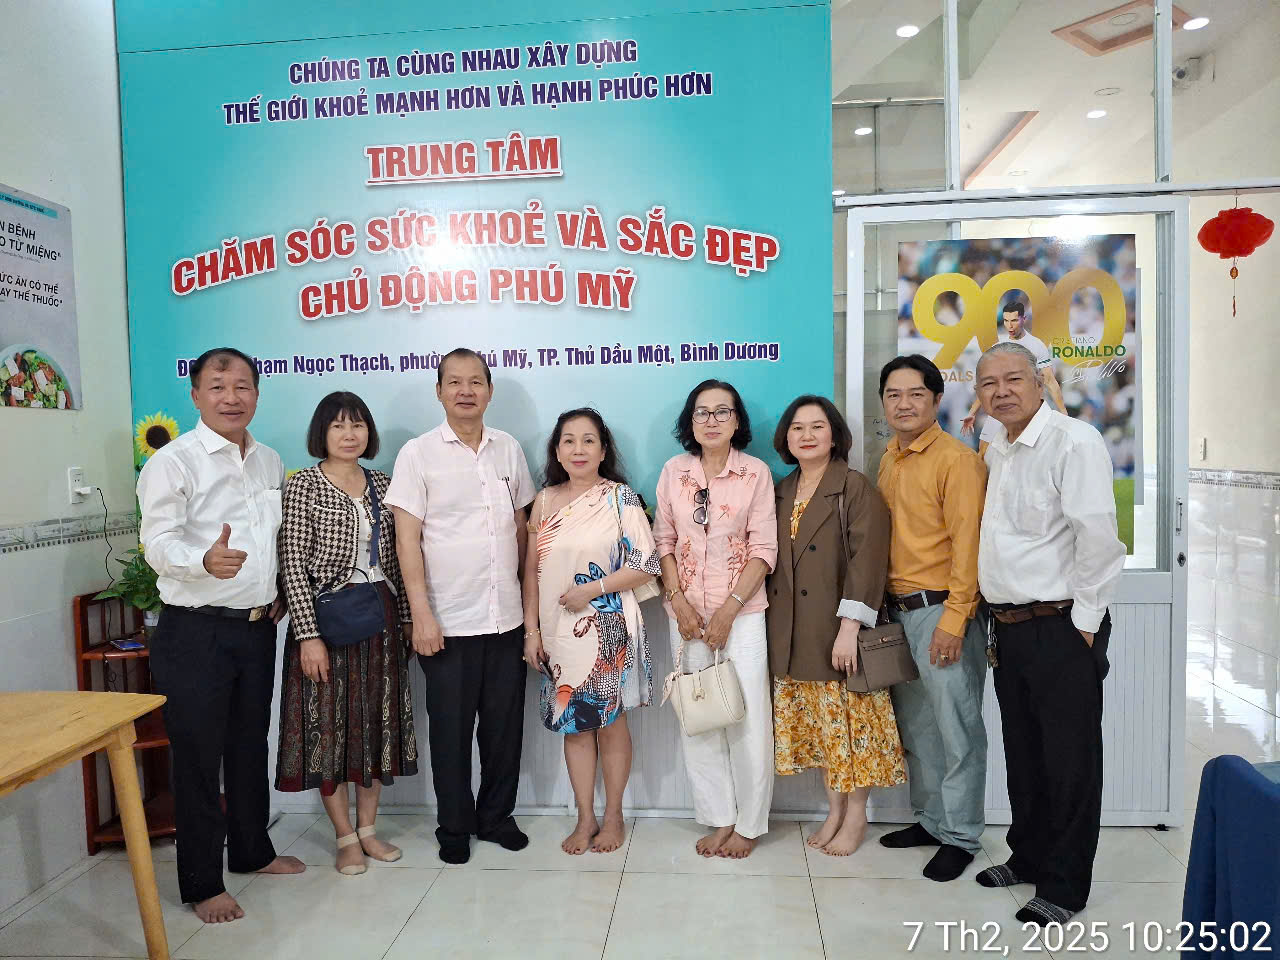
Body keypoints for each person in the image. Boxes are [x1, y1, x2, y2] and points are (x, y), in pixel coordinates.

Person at [137, 347, 304, 923]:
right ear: (195, 396)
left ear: (257, 393)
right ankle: (202, 882)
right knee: (198, 757)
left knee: (248, 744)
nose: (231, 398)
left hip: (256, 629)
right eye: (217, 386)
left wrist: (277, 587)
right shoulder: (173, 462)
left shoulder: (269, 460)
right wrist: (201, 560)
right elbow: (158, 542)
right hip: (195, 631)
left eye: (242, 386)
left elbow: (272, 537)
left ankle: (253, 851)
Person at [972, 341, 1125, 926]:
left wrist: (1083, 625)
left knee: (1069, 759)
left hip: (1062, 626)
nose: (1001, 391)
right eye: (989, 383)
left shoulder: (1073, 441)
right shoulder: (998, 446)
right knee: (1025, 751)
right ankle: (1029, 855)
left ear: (1040, 382)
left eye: (1014, 379)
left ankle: (1064, 885)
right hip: (1009, 628)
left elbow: (1099, 540)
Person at [385, 348, 535, 865]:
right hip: (446, 623)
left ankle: (496, 818)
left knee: (503, 733)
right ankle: (453, 826)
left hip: (506, 619)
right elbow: (407, 541)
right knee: (450, 734)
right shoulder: (418, 454)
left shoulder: (508, 448)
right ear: (439, 391)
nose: (465, 391)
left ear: (489, 391)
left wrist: (528, 614)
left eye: (475, 381)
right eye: (454, 382)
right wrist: (420, 615)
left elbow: (521, 529)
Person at [275, 391, 418, 875]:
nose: (349, 434)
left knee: (375, 723)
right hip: (328, 622)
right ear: (323, 433)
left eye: (357, 424)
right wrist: (307, 636)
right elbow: (292, 565)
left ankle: (369, 831)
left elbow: (399, 561)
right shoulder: (304, 486)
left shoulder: (383, 483)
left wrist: (406, 620)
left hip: (381, 617)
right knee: (329, 727)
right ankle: (344, 837)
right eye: (338, 426)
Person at [767, 395, 906, 857]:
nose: (807, 435)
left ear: (834, 436)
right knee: (826, 735)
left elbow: (868, 562)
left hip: (838, 633)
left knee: (852, 731)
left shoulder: (853, 487)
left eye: (817, 426)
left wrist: (849, 629)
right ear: (786, 438)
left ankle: (856, 815)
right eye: (797, 427)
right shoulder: (781, 491)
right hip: (793, 636)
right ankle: (833, 812)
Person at [521, 408, 661, 855]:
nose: (578, 449)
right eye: (569, 440)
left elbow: (646, 564)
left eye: (588, 440)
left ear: (603, 451)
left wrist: (592, 590)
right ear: (557, 451)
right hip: (556, 634)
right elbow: (530, 573)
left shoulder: (621, 498)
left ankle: (614, 816)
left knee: (611, 724)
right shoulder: (544, 501)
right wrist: (531, 632)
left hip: (607, 630)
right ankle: (585, 818)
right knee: (574, 727)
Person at [653, 379, 778, 859]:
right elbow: (663, 541)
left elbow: (764, 549)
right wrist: (678, 600)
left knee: (746, 717)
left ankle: (749, 823)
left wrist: (728, 610)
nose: (711, 421)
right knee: (700, 714)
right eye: (702, 412)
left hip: (741, 615)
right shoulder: (674, 471)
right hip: (684, 616)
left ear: (737, 420)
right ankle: (719, 817)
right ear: (690, 421)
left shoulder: (755, 474)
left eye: (722, 411)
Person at [876, 354, 989, 882]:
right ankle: (931, 820)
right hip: (898, 614)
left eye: (915, 394)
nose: (904, 404)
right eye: (893, 395)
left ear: (937, 399)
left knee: (957, 728)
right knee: (919, 727)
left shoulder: (956, 461)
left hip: (943, 610)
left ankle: (961, 836)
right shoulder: (889, 458)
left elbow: (969, 546)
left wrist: (956, 619)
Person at [961, 301, 1065, 451]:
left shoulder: (1036, 346)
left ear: (1024, 319)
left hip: (1029, 414)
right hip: (1000, 411)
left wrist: (1064, 414)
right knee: (983, 451)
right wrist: (972, 412)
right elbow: (987, 385)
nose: (1010, 325)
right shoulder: (998, 347)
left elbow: (1050, 381)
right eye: (1006, 320)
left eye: (1014, 320)